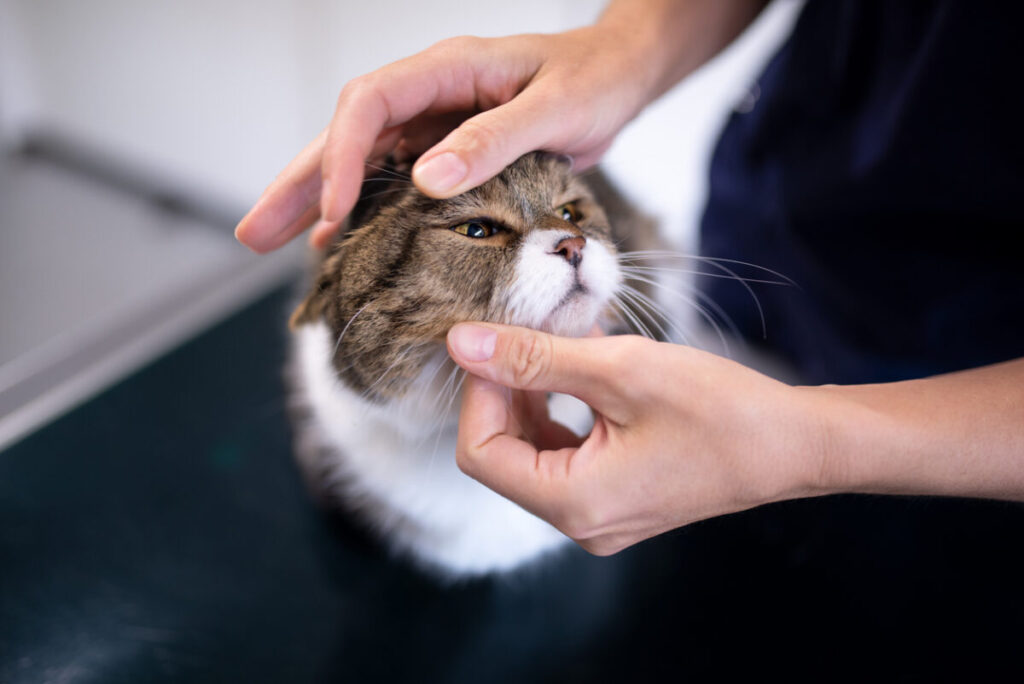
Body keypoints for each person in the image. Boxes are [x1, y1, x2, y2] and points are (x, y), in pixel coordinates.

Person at [235, 0, 1024, 557]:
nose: (572, 245)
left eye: (574, 221)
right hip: (788, 219)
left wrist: (814, 446)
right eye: (479, 229)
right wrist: (626, 45)